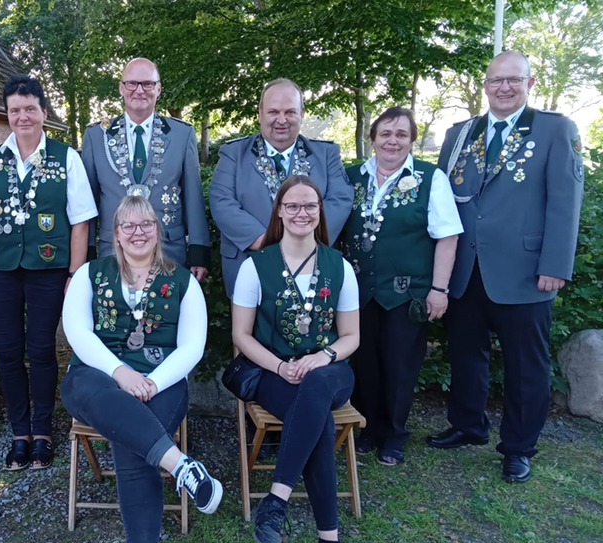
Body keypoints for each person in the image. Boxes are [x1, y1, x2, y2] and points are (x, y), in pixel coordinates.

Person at [429, 50, 584, 483]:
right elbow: (442, 202)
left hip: (526, 270)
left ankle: (517, 447)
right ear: (485, 85)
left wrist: (555, 264)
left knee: (525, 365)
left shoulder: (555, 129)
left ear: (530, 83)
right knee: (465, 355)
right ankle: (467, 425)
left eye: (514, 80)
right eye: (496, 80)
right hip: (465, 269)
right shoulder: (461, 133)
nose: (504, 88)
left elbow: (565, 203)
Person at [61, 195, 222, 542]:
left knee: (130, 436)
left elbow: (192, 346)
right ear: (116, 234)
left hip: (161, 381)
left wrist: (152, 382)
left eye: (146, 224)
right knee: (113, 406)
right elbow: (77, 332)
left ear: (157, 230)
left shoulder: (184, 282)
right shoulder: (89, 274)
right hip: (94, 377)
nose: (138, 232)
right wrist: (121, 374)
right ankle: (182, 466)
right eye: (128, 225)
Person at [0, 75, 98, 470]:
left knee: (41, 349)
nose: (22, 117)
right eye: (14, 110)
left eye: (29, 108)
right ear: (7, 115)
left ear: (43, 111)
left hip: (49, 269)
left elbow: (80, 222)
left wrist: (74, 274)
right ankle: (18, 432)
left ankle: (42, 431)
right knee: (7, 351)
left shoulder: (65, 156)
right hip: (1, 270)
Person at [232, 176, 360, 543]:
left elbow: (352, 336)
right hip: (273, 373)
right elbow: (241, 335)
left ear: (320, 212)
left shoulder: (340, 266)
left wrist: (324, 356)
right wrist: (281, 367)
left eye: (310, 206)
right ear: (280, 212)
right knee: (316, 421)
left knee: (317, 386)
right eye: (292, 206)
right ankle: (329, 536)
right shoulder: (255, 266)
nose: (301, 212)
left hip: (331, 372)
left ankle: (275, 500)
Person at [341, 107, 462, 466]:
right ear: (372, 138)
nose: (393, 141)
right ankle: (369, 428)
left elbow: (448, 237)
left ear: (411, 140)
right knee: (364, 363)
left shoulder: (430, 178)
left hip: (407, 293)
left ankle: (394, 435)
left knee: (399, 365)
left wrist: (439, 290)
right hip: (360, 291)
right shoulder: (351, 177)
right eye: (386, 134)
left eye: (402, 135)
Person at [210, 78, 354, 296]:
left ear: (302, 113)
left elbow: (340, 199)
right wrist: (269, 244)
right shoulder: (233, 153)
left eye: (290, 112)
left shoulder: (326, 155)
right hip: (251, 264)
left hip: (313, 266)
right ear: (260, 113)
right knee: (248, 331)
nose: (281, 120)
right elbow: (222, 201)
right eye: (273, 112)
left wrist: (303, 245)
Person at [82, 58, 210, 281]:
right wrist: (88, 249)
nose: (139, 90)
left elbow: (193, 195)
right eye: (132, 83)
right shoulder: (96, 136)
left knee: (167, 314)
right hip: (112, 250)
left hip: (169, 249)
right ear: (121, 88)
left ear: (158, 89)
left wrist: (198, 251)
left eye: (148, 84)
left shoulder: (182, 134)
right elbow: (88, 201)